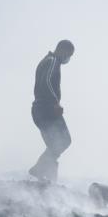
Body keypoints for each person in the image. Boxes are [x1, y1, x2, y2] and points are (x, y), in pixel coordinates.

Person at [28, 40, 74, 182]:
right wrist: (55, 102)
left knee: (55, 144)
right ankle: (39, 169)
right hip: (46, 109)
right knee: (64, 140)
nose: (68, 59)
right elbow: (46, 81)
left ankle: (44, 174)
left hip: (40, 110)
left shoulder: (47, 60)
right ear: (63, 51)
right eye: (69, 55)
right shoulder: (52, 61)